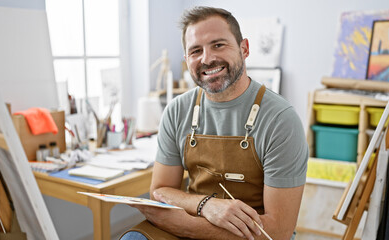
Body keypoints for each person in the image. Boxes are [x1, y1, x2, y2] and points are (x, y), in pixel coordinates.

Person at [121, 6, 308, 240]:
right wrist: (206, 206)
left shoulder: (280, 120)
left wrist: (184, 226)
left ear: (244, 48)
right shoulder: (177, 111)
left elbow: (278, 231)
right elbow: (159, 192)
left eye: (218, 45)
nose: (207, 59)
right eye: (195, 51)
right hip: (197, 215)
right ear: (187, 59)